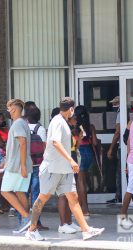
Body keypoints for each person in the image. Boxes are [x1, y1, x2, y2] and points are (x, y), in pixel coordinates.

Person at [25, 97, 104, 241]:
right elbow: (55, 142)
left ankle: (86, 230)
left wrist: (69, 163)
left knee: (73, 198)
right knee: (42, 198)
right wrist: (71, 160)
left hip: (64, 169)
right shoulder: (57, 121)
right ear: (71, 109)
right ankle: (31, 230)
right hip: (52, 168)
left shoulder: (64, 122)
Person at [0, 99, 32, 234]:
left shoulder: (18, 123)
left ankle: (25, 217)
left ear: (13, 108)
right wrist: (6, 160)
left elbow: (23, 143)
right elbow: (17, 147)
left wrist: (22, 166)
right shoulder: (22, 123)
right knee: (19, 192)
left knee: (5, 191)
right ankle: (26, 223)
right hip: (19, 165)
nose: (7, 110)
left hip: (17, 166)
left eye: (8, 107)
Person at [26, 107, 49, 231]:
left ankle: (23, 221)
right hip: (37, 165)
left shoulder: (22, 127)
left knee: (23, 193)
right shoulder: (40, 129)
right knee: (36, 194)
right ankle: (36, 222)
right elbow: (45, 147)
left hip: (24, 165)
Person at [75, 106, 97, 217]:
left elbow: (76, 144)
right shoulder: (90, 127)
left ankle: (85, 209)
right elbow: (95, 143)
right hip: (89, 152)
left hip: (80, 154)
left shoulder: (75, 128)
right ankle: (83, 207)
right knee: (83, 181)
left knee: (80, 182)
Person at [107, 96, 122, 203]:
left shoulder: (120, 114)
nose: (113, 105)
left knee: (119, 173)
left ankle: (119, 196)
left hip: (123, 148)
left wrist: (111, 149)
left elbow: (117, 132)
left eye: (115, 103)